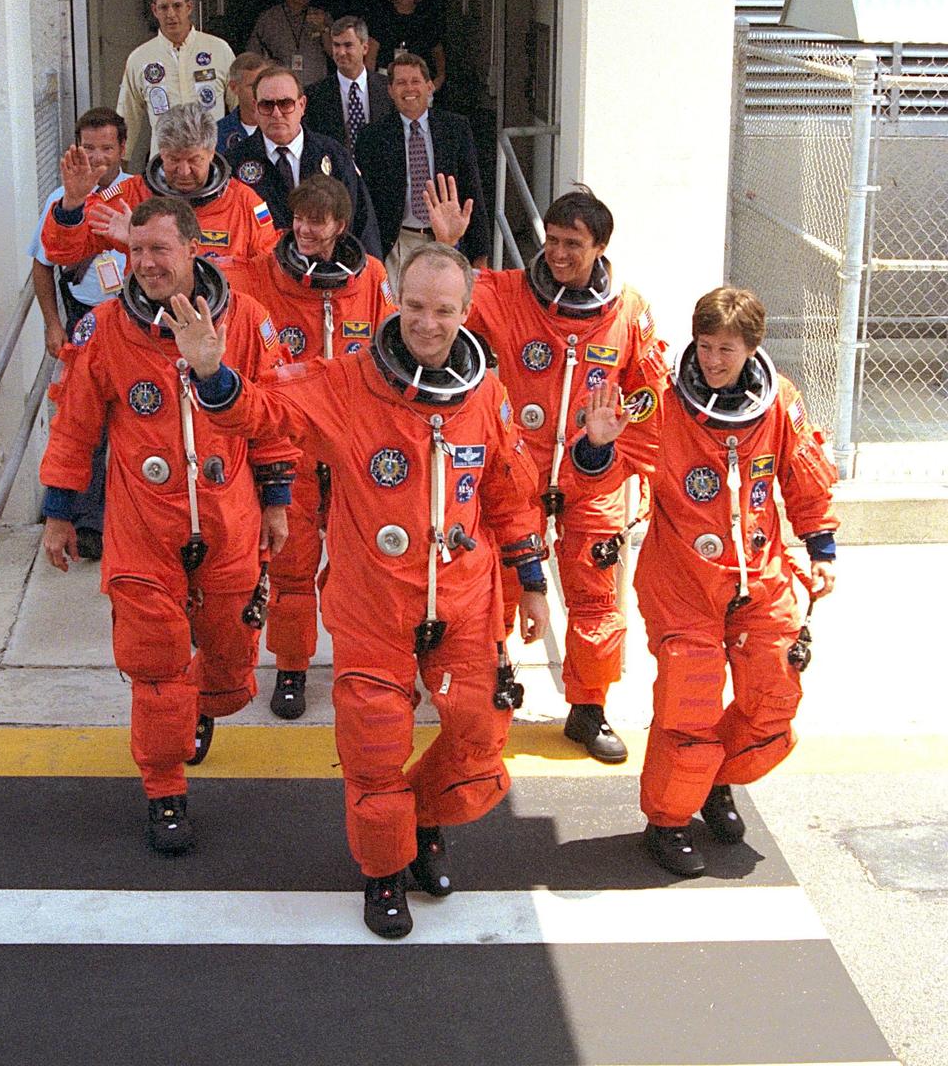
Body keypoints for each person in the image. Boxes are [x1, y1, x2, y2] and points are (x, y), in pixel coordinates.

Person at [170, 242, 550, 939]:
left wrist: (529, 580)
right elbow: (266, 418)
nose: (426, 324)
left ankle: (426, 817)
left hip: (461, 601)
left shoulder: (487, 392)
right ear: (393, 302)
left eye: (442, 310)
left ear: (466, 312)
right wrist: (212, 372)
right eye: (412, 306)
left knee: (479, 735)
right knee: (375, 748)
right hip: (374, 603)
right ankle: (383, 872)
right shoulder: (348, 384)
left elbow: (508, 493)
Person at [40, 196, 297, 855]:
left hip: (228, 521)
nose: (147, 263)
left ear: (192, 250)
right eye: (138, 251)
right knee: (155, 667)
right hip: (142, 529)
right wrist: (60, 514)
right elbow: (74, 426)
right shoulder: (104, 329)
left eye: (160, 250)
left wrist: (276, 500)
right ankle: (165, 793)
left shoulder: (247, 321)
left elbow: (272, 419)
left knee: (230, 654)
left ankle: (205, 705)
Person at [577, 286, 838, 877]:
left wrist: (822, 548)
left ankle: (714, 782)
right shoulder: (661, 406)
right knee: (689, 704)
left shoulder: (778, 405)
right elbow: (600, 469)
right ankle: (668, 822)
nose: (714, 360)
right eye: (705, 345)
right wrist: (595, 445)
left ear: (752, 348)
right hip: (683, 586)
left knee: (773, 700)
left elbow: (804, 478)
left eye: (727, 348)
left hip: (760, 578)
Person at [427, 181, 668, 763]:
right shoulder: (507, 293)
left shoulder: (628, 312)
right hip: (517, 471)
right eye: (551, 240)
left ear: (601, 248)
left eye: (573, 245)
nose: (558, 254)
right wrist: (449, 247)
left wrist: (615, 424)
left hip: (591, 473)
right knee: (501, 590)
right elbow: (446, 309)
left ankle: (589, 707)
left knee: (596, 595)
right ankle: (498, 687)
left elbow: (652, 395)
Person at [244, 173, 395, 721]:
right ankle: (290, 668)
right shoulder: (264, 275)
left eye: (318, 221)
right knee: (290, 568)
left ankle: (371, 664)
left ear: (340, 226)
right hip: (292, 448)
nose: (305, 230)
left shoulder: (372, 277)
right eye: (299, 218)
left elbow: (393, 348)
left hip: (353, 451)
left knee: (368, 570)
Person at [29, 107, 130, 561]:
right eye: (89, 148)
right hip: (85, 319)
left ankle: (124, 519)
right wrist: (53, 324)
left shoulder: (138, 193)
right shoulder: (62, 198)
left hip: (134, 322)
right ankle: (87, 523)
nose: (98, 157)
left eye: (107, 148)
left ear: (122, 149)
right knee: (82, 422)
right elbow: (43, 262)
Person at [42, 103, 277, 297]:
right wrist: (72, 205)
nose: (184, 171)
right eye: (174, 159)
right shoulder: (131, 195)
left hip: (218, 328)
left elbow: (268, 274)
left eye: (194, 160)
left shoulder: (246, 204)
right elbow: (62, 253)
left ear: (212, 152)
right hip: (146, 326)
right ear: (161, 152)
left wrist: (139, 241)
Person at [355, 53, 489, 290]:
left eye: (415, 81)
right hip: (397, 242)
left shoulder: (455, 128)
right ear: (390, 90)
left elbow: (473, 189)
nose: (409, 88)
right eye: (401, 83)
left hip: (447, 240)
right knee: (397, 314)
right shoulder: (371, 137)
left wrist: (480, 252)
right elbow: (365, 202)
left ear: (429, 86)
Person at [230, 64, 382, 259]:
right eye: (267, 105)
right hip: (264, 277)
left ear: (302, 105)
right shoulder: (235, 161)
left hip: (329, 274)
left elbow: (362, 222)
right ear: (255, 108)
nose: (277, 113)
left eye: (286, 104)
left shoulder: (334, 155)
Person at [117, 0, 236, 166]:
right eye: (164, 8)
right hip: (165, 165)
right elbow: (128, 116)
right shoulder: (140, 59)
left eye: (177, 6)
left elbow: (240, 106)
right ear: (155, 10)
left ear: (189, 7)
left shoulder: (219, 50)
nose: (171, 14)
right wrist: (121, 163)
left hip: (213, 161)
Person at [304, 16, 391, 157]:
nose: (341, 52)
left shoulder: (387, 89)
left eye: (348, 45)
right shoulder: (314, 94)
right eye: (336, 45)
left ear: (365, 47)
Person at [245, 0, 333, 88]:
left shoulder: (322, 17)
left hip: (317, 89)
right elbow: (252, 57)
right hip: (280, 90)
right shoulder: (269, 19)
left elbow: (336, 54)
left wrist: (324, 30)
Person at [369, 0, 446, 95]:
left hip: (419, 80)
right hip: (387, 81)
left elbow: (438, 52)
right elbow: (371, 56)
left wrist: (439, 78)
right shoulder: (381, 20)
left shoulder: (426, 21)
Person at [216, 51, 269, 159]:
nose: (260, 91)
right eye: (252, 85)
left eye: (264, 84)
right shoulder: (217, 134)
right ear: (234, 87)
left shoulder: (283, 126)